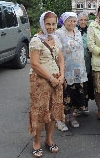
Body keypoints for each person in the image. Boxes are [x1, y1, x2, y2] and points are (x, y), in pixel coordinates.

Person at [28, 11, 65, 157]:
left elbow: (60, 59)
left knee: (53, 111)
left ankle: (49, 139)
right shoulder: (36, 40)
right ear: (42, 23)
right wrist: (51, 78)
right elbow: (35, 64)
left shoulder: (56, 38)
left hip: (56, 79)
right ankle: (36, 141)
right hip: (40, 81)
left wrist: (62, 75)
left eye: (53, 24)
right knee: (39, 112)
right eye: (47, 24)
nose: (50, 27)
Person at [55, 12, 87, 131]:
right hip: (65, 69)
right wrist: (59, 71)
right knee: (64, 95)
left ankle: (71, 116)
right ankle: (59, 119)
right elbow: (57, 53)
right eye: (70, 21)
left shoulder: (77, 32)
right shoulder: (59, 33)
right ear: (64, 21)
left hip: (78, 69)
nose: (73, 23)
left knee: (74, 95)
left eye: (74, 21)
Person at [77, 11, 94, 114]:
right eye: (81, 20)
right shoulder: (75, 31)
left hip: (88, 62)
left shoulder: (90, 31)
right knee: (77, 84)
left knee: (87, 84)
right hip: (77, 62)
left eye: (85, 20)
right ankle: (77, 106)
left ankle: (85, 105)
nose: (83, 22)